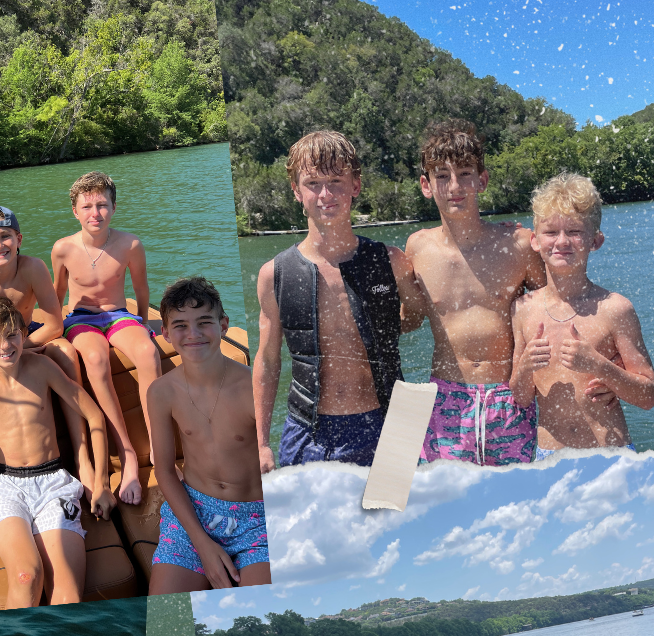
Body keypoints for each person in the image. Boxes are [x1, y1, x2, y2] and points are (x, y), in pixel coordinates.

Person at [254, 130, 424, 471]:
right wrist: (260, 444)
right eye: (313, 183)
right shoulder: (274, 274)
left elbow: (416, 315)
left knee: (406, 521)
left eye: (336, 181)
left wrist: (380, 326)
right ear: (296, 192)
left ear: (355, 186)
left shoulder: (391, 261)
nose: (326, 194)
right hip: (309, 430)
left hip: (394, 418)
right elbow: (268, 361)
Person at [0, 296, 112, 608]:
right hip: (4, 485)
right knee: (26, 575)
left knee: (68, 595)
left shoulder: (42, 367)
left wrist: (100, 482)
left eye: (11, 335)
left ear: (24, 334)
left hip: (53, 484)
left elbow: (93, 416)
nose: (5, 346)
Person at [406, 121, 546, 465]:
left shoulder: (519, 244)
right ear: (426, 185)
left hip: (511, 397)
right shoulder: (417, 248)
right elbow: (405, 321)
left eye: (465, 173)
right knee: (449, 510)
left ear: (481, 180)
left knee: (518, 508)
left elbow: (554, 313)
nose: (455, 186)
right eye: (441, 175)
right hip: (444, 400)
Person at [0, 207, 94, 499]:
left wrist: (20, 345)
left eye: (5, 236)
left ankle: (82, 460)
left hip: (22, 335)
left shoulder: (33, 268)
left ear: (19, 239)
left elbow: (54, 323)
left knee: (65, 352)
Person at [510, 172, 654, 451]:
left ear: (595, 240)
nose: (562, 241)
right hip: (548, 459)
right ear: (535, 241)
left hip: (610, 458)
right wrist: (526, 367)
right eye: (551, 232)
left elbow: (649, 395)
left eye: (575, 231)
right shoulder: (523, 309)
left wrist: (601, 367)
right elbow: (520, 397)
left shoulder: (615, 309)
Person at [147, 278, 269, 594]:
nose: (194, 334)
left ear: (224, 325)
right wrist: (202, 543)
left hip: (256, 517)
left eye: (204, 323)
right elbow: (163, 470)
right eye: (181, 326)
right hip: (195, 511)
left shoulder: (255, 389)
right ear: (166, 333)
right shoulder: (162, 392)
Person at [51, 171, 163, 505]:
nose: (94, 213)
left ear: (114, 207)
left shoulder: (130, 244)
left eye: (102, 205)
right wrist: (49, 333)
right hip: (81, 319)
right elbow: (55, 297)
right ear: (75, 211)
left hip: (118, 314)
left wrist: (144, 322)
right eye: (87, 206)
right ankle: (127, 454)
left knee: (147, 352)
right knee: (96, 359)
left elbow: (141, 289)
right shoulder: (63, 249)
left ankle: (159, 445)